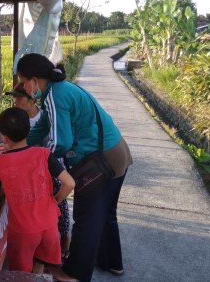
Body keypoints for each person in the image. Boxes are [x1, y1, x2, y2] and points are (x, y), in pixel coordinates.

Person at [16, 53, 133, 282]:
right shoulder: (60, 89)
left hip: (100, 162)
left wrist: (33, 157)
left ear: (34, 79)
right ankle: (112, 263)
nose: (24, 89)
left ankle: (74, 274)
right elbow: (42, 127)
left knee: (87, 219)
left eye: (23, 81)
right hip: (117, 152)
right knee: (105, 214)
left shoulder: (55, 96)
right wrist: (21, 144)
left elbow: (61, 142)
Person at [0, 107, 75, 281]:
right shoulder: (44, 154)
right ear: (28, 130)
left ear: (4, 137)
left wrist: (5, 189)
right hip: (49, 226)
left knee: (21, 275)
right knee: (40, 265)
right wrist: (55, 201)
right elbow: (70, 183)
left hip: (23, 232)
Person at [0, 82, 72, 261]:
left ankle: (64, 236)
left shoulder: (46, 117)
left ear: (32, 100)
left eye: (19, 98)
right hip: (24, 168)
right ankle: (36, 244)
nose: (15, 102)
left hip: (47, 167)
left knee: (57, 201)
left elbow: (56, 144)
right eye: (13, 98)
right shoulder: (15, 118)